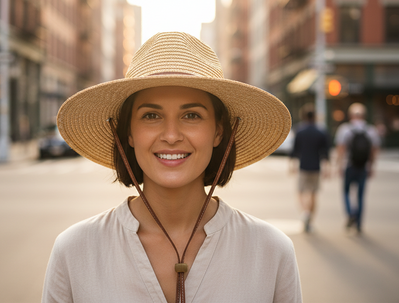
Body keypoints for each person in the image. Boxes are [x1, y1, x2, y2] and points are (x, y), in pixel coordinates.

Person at [42, 32, 302, 303]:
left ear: (218, 132)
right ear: (129, 133)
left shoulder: (271, 251)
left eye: (191, 115)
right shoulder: (74, 251)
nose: (171, 135)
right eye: (151, 116)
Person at [335, 103, 380, 234]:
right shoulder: (371, 130)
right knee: (360, 196)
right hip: (363, 166)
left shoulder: (345, 130)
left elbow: (341, 149)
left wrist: (339, 165)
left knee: (346, 192)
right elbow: (374, 151)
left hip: (349, 165)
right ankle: (359, 223)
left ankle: (351, 213)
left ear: (350, 115)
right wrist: (371, 166)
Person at [289, 105, 330, 233]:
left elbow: (295, 150)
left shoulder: (299, 131)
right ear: (315, 117)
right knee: (313, 193)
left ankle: (305, 213)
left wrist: (292, 165)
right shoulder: (321, 131)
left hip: (303, 166)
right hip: (316, 167)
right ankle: (310, 219)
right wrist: (327, 168)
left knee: (300, 191)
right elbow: (325, 152)